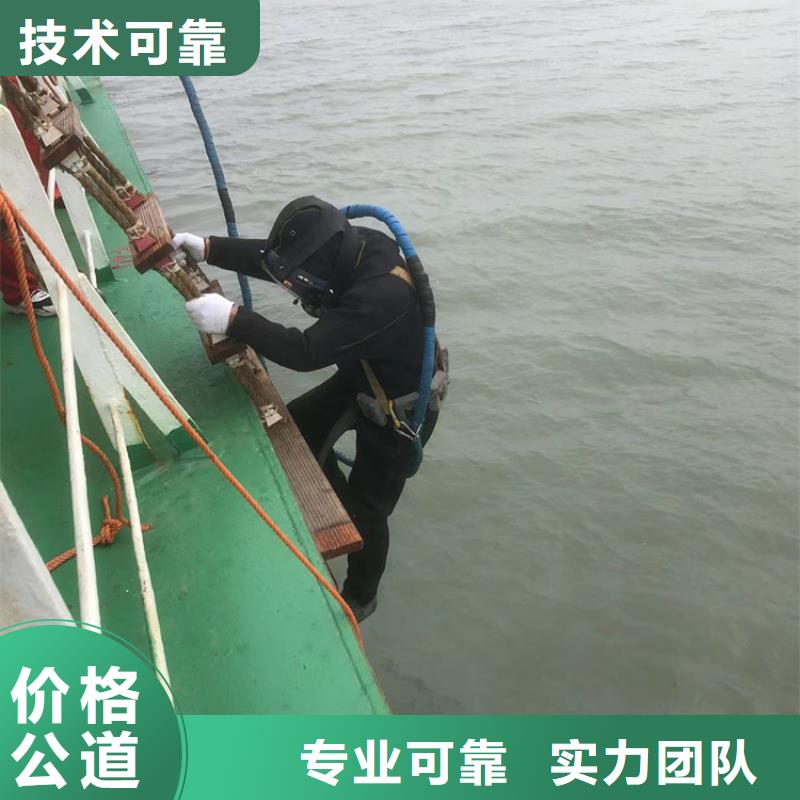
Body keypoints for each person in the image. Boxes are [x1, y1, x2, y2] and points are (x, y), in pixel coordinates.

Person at [174, 196, 444, 622]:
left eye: (298, 281)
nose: (293, 287)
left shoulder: (381, 296)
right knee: (296, 427)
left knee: (369, 510)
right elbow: (277, 260)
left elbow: (305, 352)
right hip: (364, 373)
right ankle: (325, 496)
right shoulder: (355, 246)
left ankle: (361, 595)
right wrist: (210, 248)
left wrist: (235, 319)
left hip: (400, 413)